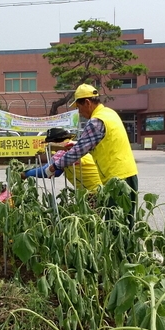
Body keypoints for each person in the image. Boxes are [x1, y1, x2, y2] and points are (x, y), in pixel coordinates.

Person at [43, 83, 139, 227]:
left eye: (79, 108)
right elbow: (101, 141)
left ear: (87, 102)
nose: (79, 112)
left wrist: (54, 166)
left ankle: (122, 250)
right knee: (125, 222)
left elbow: (79, 151)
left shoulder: (96, 121)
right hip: (129, 174)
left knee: (116, 227)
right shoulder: (109, 113)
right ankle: (129, 249)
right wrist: (77, 145)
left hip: (117, 179)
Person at [21, 127, 102, 193]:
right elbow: (57, 172)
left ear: (55, 142)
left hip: (93, 190)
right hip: (97, 188)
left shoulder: (65, 150)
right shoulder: (75, 146)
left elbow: (47, 170)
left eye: (50, 143)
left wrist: (26, 173)